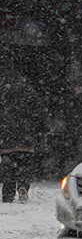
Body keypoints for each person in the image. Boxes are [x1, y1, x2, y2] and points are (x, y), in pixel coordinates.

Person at [0, 75, 45, 203]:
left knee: (8, 167)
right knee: (25, 166)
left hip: (7, 138)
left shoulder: (3, 92)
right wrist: (41, 131)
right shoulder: (30, 93)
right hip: (27, 138)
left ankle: (8, 194)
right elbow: (40, 114)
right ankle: (23, 186)